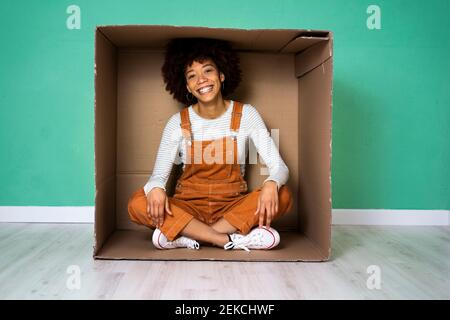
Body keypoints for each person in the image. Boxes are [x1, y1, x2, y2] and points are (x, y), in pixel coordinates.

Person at [127, 37, 293, 252]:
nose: (201, 80)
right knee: (137, 203)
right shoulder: (177, 122)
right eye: (192, 76)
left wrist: (272, 183)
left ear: (221, 75)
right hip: (188, 208)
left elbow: (280, 167)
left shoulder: (246, 115)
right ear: (186, 85)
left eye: (208, 71)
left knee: (283, 195)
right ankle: (228, 240)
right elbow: (157, 176)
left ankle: (186, 236)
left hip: (231, 209)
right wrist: (156, 188)